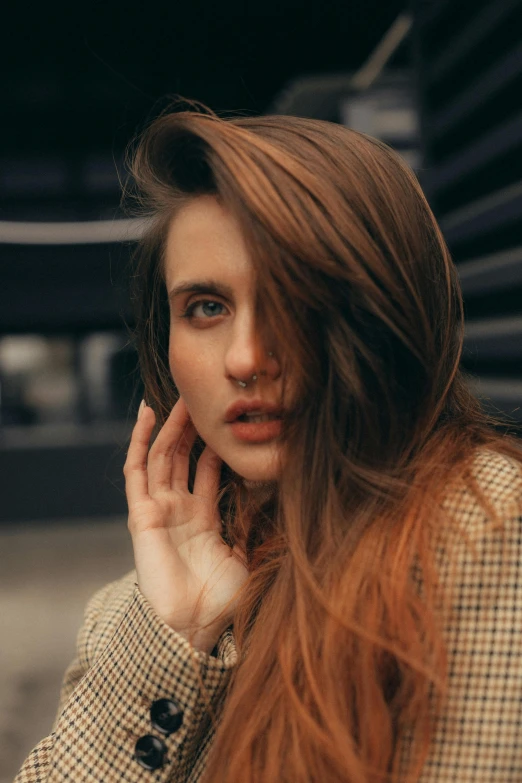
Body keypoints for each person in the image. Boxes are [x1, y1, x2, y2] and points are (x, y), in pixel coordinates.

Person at [15, 105, 522, 783]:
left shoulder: (490, 535)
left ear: (387, 310)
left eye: (297, 297)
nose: (248, 356)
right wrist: (179, 631)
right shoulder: (133, 609)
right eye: (206, 307)